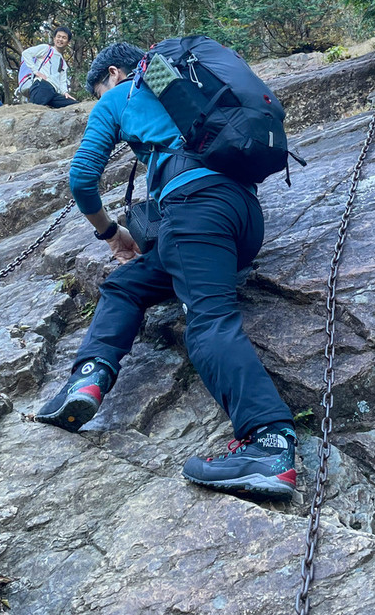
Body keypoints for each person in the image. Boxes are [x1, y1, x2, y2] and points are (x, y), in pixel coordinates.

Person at [36, 42, 298, 498]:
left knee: (208, 321)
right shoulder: (191, 85)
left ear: (113, 73)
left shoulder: (122, 94)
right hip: (241, 217)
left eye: (100, 90)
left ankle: (269, 443)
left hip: (194, 211)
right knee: (124, 285)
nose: (104, 98)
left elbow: (81, 178)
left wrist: (111, 233)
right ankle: (89, 377)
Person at [17, 27, 77, 108]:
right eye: (58, 36)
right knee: (35, 111)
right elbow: (26, 53)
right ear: (54, 38)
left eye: (64, 38)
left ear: (68, 42)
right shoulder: (46, 49)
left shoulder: (63, 62)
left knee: (74, 105)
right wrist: (35, 71)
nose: (60, 39)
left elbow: (62, 80)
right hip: (42, 85)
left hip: (54, 92)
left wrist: (65, 93)